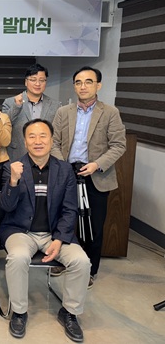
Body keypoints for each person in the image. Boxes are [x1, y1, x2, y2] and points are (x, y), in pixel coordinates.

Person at [0, 119, 91, 342]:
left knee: (81, 261)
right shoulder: (12, 167)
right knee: (18, 257)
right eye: (32, 136)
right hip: (20, 231)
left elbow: (70, 210)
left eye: (43, 136)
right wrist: (13, 181)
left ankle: (69, 312)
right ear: (25, 141)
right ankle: (19, 312)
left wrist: (59, 239)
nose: (37, 141)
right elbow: (6, 207)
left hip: (54, 233)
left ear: (51, 140)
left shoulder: (64, 170)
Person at [51, 66, 126, 287]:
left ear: (98, 85)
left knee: (93, 226)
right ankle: (62, 260)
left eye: (88, 82)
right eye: (78, 82)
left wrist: (96, 165)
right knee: (63, 221)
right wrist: (63, 166)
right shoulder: (63, 112)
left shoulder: (110, 112)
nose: (83, 86)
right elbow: (53, 142)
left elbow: (118, 145)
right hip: (67, 173)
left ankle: (90, 270)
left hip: (95, 176)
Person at [2, 64, 61, 161]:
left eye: (42, 80)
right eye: (33, 80)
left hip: (46, 159)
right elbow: (3, 127)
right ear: (26, 82)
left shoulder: (56, 105)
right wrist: (17, 106)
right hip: (17, 156)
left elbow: (57, 134)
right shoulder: (10, 102)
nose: (37, 84)